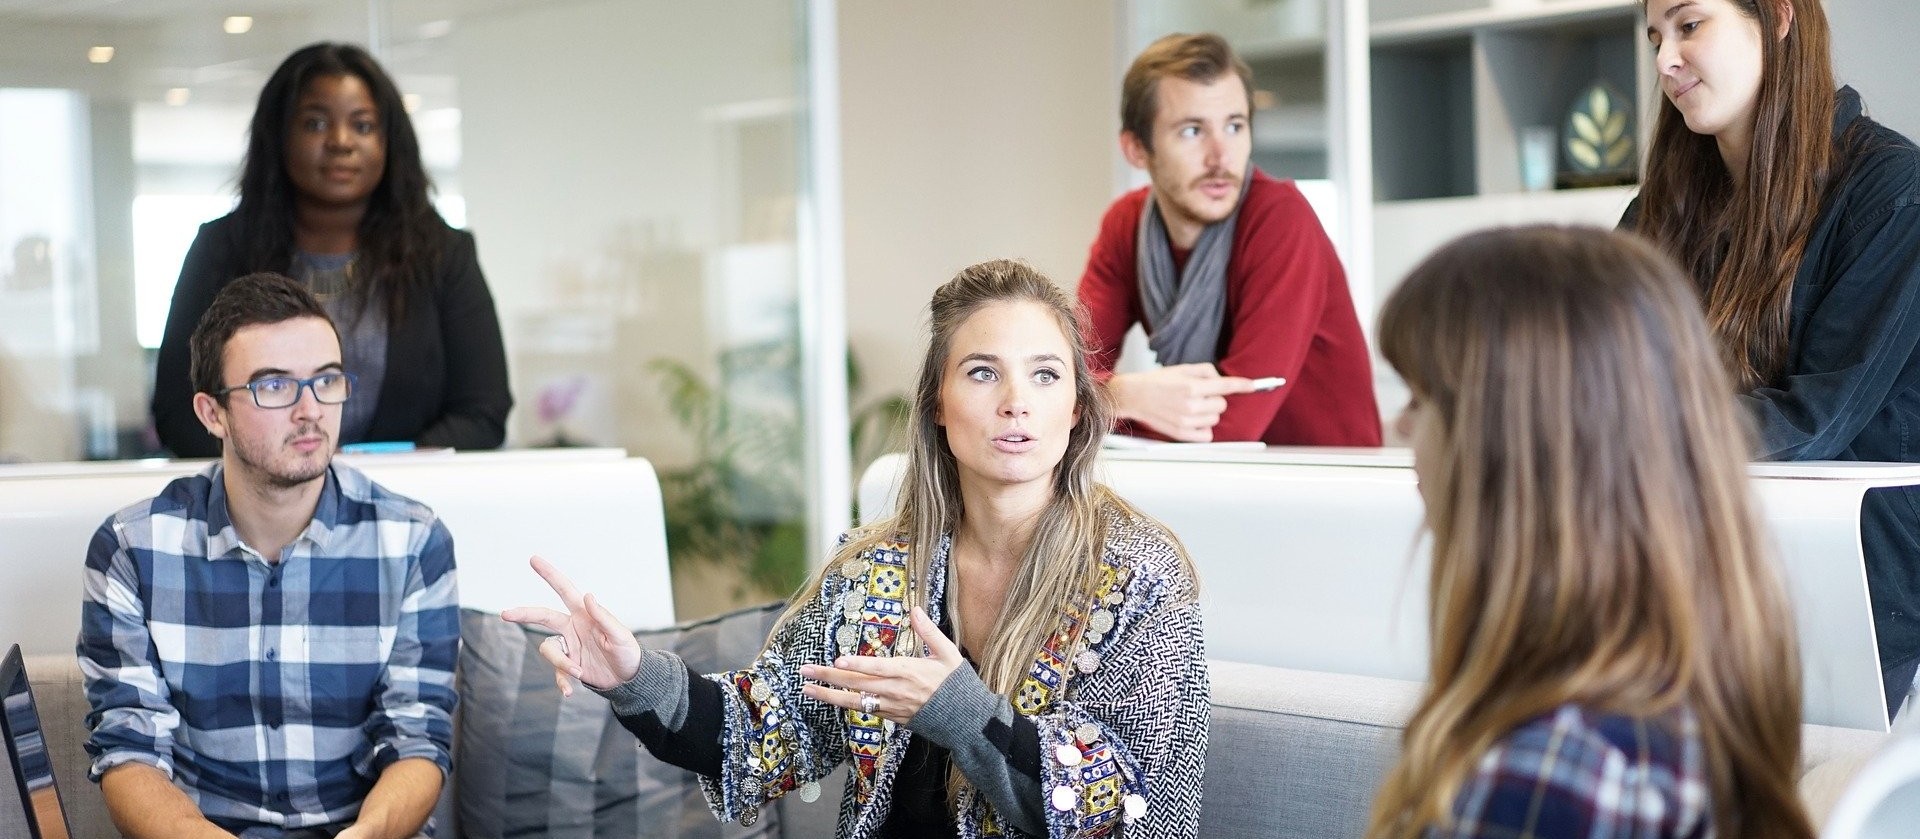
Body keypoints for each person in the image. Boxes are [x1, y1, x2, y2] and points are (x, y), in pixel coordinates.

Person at [505, 260, 1209, 838]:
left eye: (1046, 374)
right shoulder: (877, 568)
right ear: (937, 401)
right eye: (983, 372)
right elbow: (766, 729)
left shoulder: (1142, 577)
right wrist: (634, 674)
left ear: (1077, 407)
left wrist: (964, 713)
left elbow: (1118, 806)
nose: (1016, 400)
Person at [1366, 227, 1812, 839]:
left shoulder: (1548, 778)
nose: (1398, 427)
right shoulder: (1680, 704)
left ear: (1510, 445)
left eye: (1420, 400)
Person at [81, 274, 459, 839]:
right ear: (212, 414)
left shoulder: (413, 541)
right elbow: (129, 753)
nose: (311, 410)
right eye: (274, 386)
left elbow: (418, 738)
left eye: (326, 380)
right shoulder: (133, 549)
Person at [1626, 0, 1920, 718]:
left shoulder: (1890, 189)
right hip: (1695, 571)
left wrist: (1620, 435)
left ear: (1779, 18)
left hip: (1853, 590)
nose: (1665, 60)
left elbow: (1814, 416)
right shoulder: (1658, 211)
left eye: (1690, 25)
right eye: (1656, 36)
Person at [152, 41, 511, 458]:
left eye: (363, 126)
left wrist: (377, 471)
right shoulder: (221, 250)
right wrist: (287, 467)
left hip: (406, 504)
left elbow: (483, 413)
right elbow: (178, 414)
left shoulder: (444, 255)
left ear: (389, 142)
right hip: (259, 510)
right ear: (279, 135)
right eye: (316, 124)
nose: (341, 142)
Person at [1077, 32, 1380, 446]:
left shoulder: (1280, 218)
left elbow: (1233, 424)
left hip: (1326, 486)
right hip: (1215, 483)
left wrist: (1096, 404)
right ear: (1136, 150)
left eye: (1235, 126)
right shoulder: (1126, 225)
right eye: (1191, 131)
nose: (1221, 156)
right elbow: (1062, 375)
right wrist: (1124, 395)